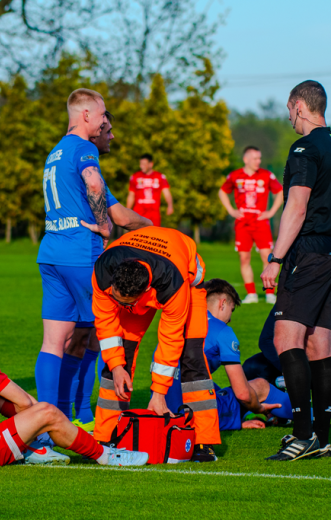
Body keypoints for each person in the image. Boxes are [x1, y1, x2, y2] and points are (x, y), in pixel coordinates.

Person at [0, 290, 148, 467]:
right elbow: (24, 402)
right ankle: (106, 456)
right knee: (47, 412)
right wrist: (40, 421)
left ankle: (36, 444)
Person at [35, 90, 150, 433]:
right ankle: (88, 413)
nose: (105, 123)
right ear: (85, 115)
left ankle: (51, 420)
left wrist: (150, 227)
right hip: (79, 253)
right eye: (102, 116)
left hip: (51, 252)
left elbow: (119, 211)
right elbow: (94, 186)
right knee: (104, 333)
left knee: (57, 340)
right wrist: (103, 226)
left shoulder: (56, 153)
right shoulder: (84, 148)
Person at [260, 80, 331, 461]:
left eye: (288, 109)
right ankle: (321, 436)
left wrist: (276, 257)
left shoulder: (304, 147)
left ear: (298, 105)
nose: (288, 117)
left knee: (286, 339)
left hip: (308, 250)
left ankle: (302, 436)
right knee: (319, 342)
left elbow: (295, 208)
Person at [92, 227, 221, 462]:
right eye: (115, 297)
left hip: (188, 281)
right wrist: (117, 365)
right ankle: (106, 435)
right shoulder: (103, 270)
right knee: (121, 354)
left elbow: (170, 340)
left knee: (192, 354)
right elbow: (105, 321)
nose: (119, 305)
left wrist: (159, 393)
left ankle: (204, 440)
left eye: (126, 303)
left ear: (145, 293)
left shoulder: (174, 285)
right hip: (144, 258)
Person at [159, 279, 284, 431]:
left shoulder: (179, 321)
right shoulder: (222, 331)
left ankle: (232, 420)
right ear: (222, 303)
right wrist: (259, 408)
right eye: (231, 310)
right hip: (194, 414)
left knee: (210, 386)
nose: (230, 319)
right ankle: (310, 415)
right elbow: (243, 394)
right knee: (260, 386)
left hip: (163, 408)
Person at [243, 287, 331, 424]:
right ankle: (265, 408)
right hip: (287, 356)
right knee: (252, 366)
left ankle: (327, 402)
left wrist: (306, 342)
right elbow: (266, 339)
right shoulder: (291, 292)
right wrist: (288, 367)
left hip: (314, 355)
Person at [219, 146, 284, 304]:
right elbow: (222, 191)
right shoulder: (235, 176)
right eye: (255, 158)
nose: (258, 161)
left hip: (261, 223)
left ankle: (270, 293)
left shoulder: (266, 175)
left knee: (267, 258)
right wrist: (231, 210)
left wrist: (271, 212)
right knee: (244, 258)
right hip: (242, 223)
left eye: (259, 158)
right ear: (246, 159)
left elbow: (281, 192)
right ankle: (252, 294)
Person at [126, 154, 174, 226]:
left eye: (144, 164)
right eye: (141, 164)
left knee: (154, 235)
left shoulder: (160, 177)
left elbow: (167, 193)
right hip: (138, 214)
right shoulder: (135, 177)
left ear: (151, 164)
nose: (141, 166)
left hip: (154, 215)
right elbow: (131, 195)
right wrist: (127, 211)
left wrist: (170, 206)